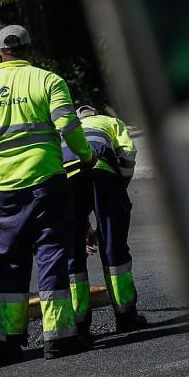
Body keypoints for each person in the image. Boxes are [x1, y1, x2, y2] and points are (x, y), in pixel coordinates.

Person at [0, 24, 93, 364]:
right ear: (30, 49)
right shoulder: (48, 81)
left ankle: (7, 342)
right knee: (50, 255)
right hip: (45, 183)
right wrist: (85, 155)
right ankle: (59, 336)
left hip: (0, 191)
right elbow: (67, 126)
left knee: (8, 263)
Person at [65, 105, 147, 337]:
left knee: (72, 254)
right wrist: (121, 185)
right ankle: (126, 317)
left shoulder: (64, 129)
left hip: (69, 177)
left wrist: (84, 227)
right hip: (104, 172)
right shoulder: (110, 122)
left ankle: (79, 324)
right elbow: (128, 153)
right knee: (114, 249)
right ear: (95, 114)